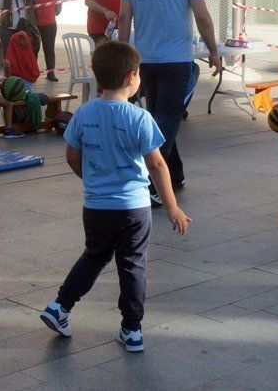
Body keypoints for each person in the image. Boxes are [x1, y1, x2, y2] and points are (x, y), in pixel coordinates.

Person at [40, 41, 191, 352]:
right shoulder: (139, 118)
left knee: (94, 256)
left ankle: (60, 306)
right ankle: (132, 329)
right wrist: (173, 206)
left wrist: (92, 180)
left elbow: (71, 156)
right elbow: (158, 163)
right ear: (131, 78)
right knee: (133, 265)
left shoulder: (84, 113)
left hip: (95, 206)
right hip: (134, 208)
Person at [118, 0, 222, 207]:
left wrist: (126, 56)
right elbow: (202, 16)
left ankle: (174, 174)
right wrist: (213, 51)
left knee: (159, 119)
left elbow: (124, 18)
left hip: (144, 60)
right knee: (167, 122)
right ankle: (152, 182)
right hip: (176, 60)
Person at [32, 0, 62, 81]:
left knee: (49, 50)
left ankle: (51, 73)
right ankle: (33, 74)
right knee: (34, 49)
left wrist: (57, 11)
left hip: (50, 24)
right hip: (36, 24)